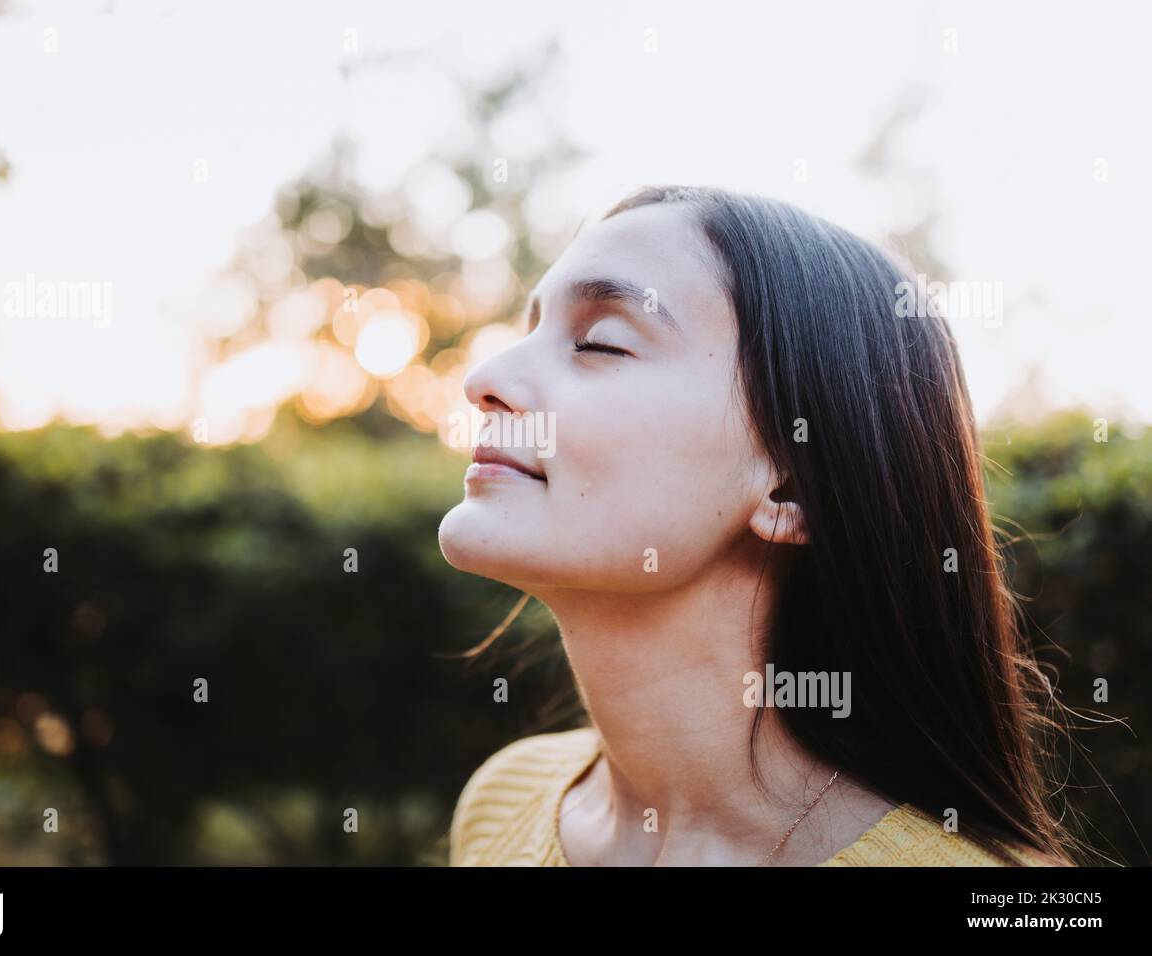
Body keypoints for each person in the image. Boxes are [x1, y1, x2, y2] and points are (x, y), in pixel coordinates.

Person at [438, 186, 1078, 866]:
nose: (485, 376)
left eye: (600, 343)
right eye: (528, 330)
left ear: (790, 485)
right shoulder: (504, 801)